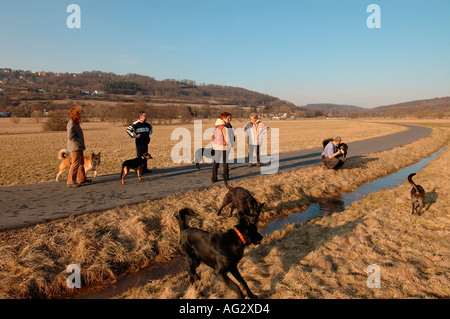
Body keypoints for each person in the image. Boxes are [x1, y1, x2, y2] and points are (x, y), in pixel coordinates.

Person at [66, 105, 89, 188]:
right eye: (78, 114)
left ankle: (82, 179)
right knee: (75, 163)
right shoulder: (71, 123)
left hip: (79, 146)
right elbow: (70, 136)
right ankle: (70, 181)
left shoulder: (76, 123)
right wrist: (79, 141)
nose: (80, 116)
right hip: (75, 147)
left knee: (81, 162)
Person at [212, 111, 233, 182]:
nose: (230, 120)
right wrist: (230, 145)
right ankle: (226, 177)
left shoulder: (216, 126)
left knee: (216, 163)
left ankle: (214, 178)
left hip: (216, 146)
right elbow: (227, 138)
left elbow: (214, 137)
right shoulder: (224, 127)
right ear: (224, 118)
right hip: (224, 147)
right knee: (225, 162)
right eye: (229, 118)